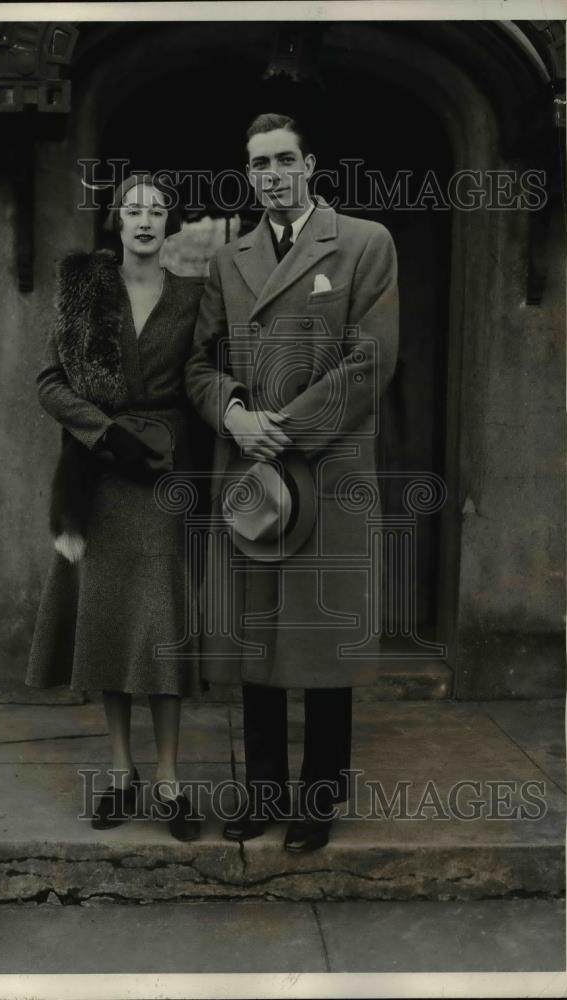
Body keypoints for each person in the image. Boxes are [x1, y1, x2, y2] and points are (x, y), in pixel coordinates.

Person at [184, 112, 399, 853]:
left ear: (310, 166)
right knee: (257, 635)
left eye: (283, 161)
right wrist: (236, 415)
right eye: (257, 165)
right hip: (250, 471)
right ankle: (262, 791)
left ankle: (319, 796)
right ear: (247, 176)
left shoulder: (363, 243)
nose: (271, 175)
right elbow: (199, 364)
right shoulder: (228, 258)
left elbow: (371, 361)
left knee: (320, 639)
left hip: (326, 468)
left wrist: (285, 428)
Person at [26, 174, 205, 842]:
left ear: (170, 224)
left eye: (156, 210)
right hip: (98, 477)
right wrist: (104, 434)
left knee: (157, 624)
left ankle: (168, 780)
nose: (144, 219)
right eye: (132, 209)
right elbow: (48, 382)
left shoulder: (193, 296)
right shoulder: (86, 295)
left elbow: (203, 378)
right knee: (106, 624)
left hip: (162, 477)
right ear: (115, 220)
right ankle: (121, 772)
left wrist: (168, 443)